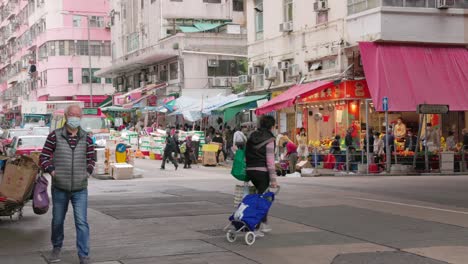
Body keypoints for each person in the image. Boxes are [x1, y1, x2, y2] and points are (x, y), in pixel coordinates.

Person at [39, 105, 94, 264]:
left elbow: (91, 160)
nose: (74, 117)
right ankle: (56, 247)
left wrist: (87, 173)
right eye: (71, 114)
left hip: (80, 189)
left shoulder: (87, 138)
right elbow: (43, 157)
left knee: (81, 222)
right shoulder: (54, 136)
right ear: (65, 115)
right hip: (59, 188)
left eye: (77, 115)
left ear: (81, 117)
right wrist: (53, 171)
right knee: (57, 220)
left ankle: (83, 255)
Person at [245, 115, 278, 236]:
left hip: (250, 170)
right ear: (272, 126)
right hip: (262, 172)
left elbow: (246, 153)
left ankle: (263, 222)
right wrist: (273, 179)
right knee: (262, 200)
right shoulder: (269, 139)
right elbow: (270, 161)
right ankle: (255, 228)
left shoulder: (251, 136)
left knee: (260, 197)